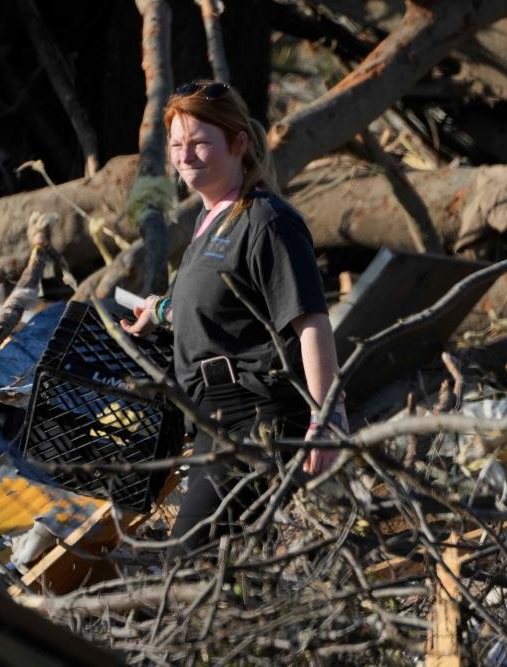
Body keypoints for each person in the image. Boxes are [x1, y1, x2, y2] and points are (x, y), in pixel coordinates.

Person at [120, 81, 347, 556]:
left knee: (189, 558)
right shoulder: (209, 222)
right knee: (236, 562)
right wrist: (160, 310)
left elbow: (311, 322)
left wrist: (325, 421)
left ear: (238, 143)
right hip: (211, 417)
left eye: (201, 142)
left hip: (254, 414)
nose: (186, 157)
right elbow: (218, 302)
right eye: (178, 145)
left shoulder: (266, 220)